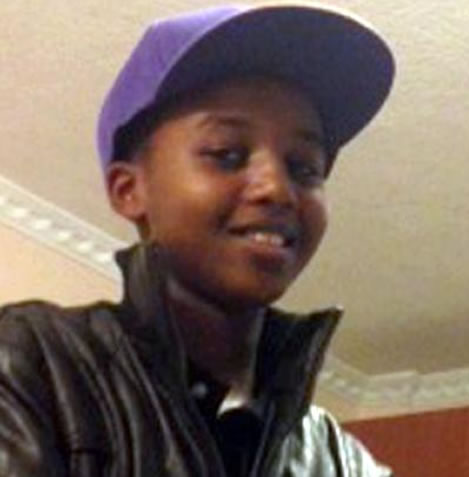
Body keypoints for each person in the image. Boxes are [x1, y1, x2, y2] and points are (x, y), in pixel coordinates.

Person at [0, 4, 395, 476]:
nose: (277, 189)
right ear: (129, 190)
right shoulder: (31, 360)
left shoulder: (341, 460)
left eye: (304, 167)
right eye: (227, 154)